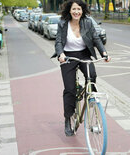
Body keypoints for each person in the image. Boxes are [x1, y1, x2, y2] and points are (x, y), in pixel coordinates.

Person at [51, 0, 111, 136]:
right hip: (67, 56)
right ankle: (68, 119)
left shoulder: (87, 22)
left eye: (79, 9)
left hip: (84, 54)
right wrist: (61, 54)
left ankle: (89, 96)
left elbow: (96, 38)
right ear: (69, 10)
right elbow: (59, 41)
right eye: (74, 9)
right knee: (69, 90)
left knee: (92, 75)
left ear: (82, 10)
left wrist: (104, 53)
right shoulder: (62, 23)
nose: (76, 12)